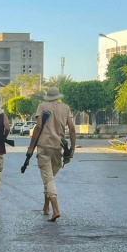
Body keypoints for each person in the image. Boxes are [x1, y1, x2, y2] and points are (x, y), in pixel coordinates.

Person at [26, 87, 76, 221]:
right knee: (49, 178)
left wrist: (31, 147)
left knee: (48, 179)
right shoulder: (65, 108)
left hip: (43, 147)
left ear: (48, 97)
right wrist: (72, 149)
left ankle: (56, 210)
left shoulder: (42, 106)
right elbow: (72, 129)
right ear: (58, 96)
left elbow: (38, 127)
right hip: (58, 148)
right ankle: (46, 207)